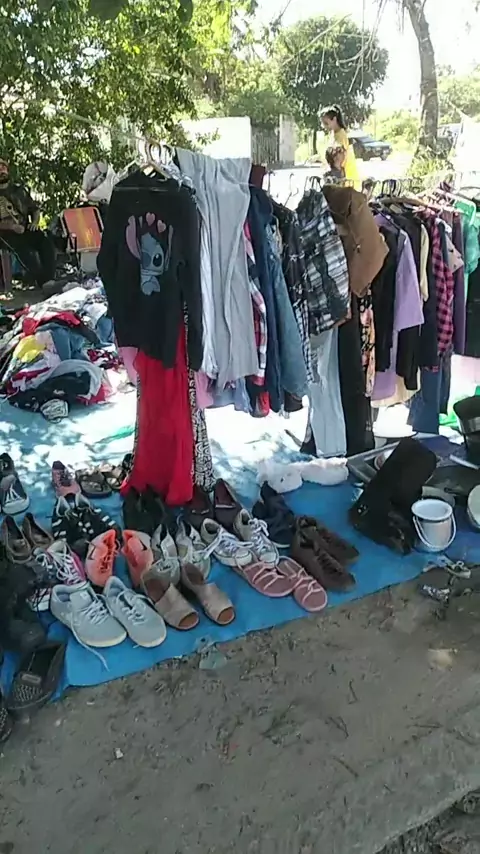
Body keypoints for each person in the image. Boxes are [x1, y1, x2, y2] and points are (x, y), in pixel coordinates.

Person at [0, 158, 56, 286]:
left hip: (25, 228)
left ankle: (50, 279)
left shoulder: (19, 190)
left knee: (45, 241)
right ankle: (43, 282)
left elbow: (35, 209)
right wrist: (11, 226)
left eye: (3, 167)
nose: (1, 171)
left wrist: (34, 223)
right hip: (5, 234)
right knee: (24, 251)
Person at [321, 105, 361, 190]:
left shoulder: (341, 135)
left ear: (334, 119)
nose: (324, 126)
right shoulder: (333, 134)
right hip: (337, 175)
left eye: (326, 123)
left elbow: (339, 157)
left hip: (345, 177)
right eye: (323, 124)